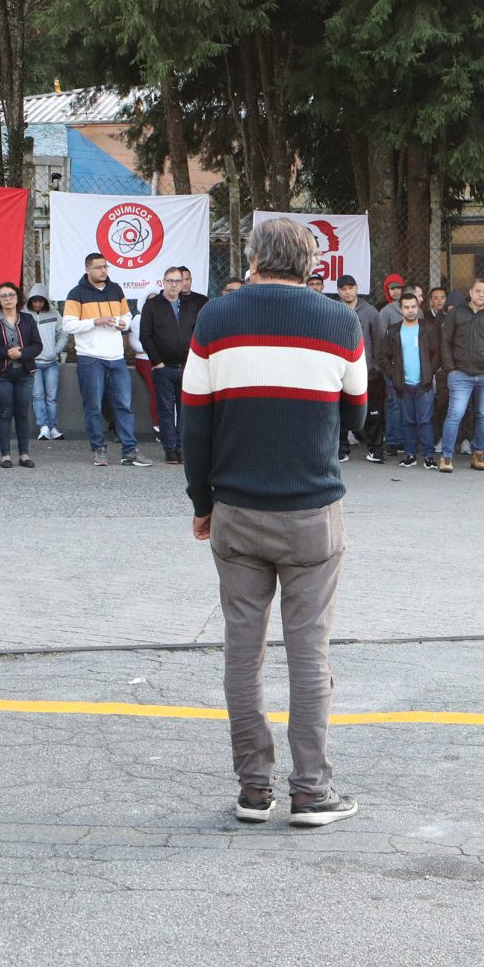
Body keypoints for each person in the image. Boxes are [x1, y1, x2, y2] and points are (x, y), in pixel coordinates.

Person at [183, 217, 369, 827]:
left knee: (243, 650)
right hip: (313, 510)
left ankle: (253, 789)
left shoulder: (215, 318)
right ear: (311, 262)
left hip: (236, 508)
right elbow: (359, 412)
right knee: (310, 652)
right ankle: (312, 791)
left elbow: (195, 422)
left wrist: (201, 502)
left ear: (255, 257)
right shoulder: (341, 320)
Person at [63, 253, 145, 467]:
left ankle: (130, 450)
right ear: (88, 270)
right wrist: (95, 321)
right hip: (90, 358)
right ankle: (98, 448)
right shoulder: (76, 293)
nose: (103, 271)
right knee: (93, 406)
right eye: (99, 267)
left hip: (116, 357)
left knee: (124, 405)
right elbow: (68, 325)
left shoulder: (116, 289)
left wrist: (121, 322)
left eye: (106, 267)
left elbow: (127, 316)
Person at [139, 264, 207, 466]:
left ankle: (182, 447)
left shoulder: (190, 305)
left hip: (187, 366)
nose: (174, 285)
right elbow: (146, 336)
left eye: (178, 281)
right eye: (170, 281)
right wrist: (157, 362)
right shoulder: (152, 306)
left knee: (185, 409)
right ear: (163, 282)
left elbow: (198, 332)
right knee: (166, 410)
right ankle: (170, 448)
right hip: (164, 367)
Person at [441, 279, 484, 470]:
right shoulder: (456, 313)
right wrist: (450, 368)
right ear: (470, 292)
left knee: (483, 415)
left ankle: (478, 455)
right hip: (460, 374)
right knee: (455, 413)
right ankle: (446, 456)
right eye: (477, 291)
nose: (481, 295)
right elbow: (445, 342)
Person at [0, 281, 43, 468]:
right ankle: (5, 454)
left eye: (11, 295)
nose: (8, 299)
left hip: (24, 372)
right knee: (5, 413)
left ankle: (24, 454)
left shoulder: (27, 319)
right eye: (3, 296)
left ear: (17, 298)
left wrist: (22, 353)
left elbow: (37, 346)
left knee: (22, 414)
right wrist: (6, 352)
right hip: (1, 374)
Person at [378, 287, 442, 468]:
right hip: (403, 384)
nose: (411, 310)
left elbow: (437, 354)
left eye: (413, 306)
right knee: (407, 421)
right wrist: (393, 374)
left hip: (424, 384)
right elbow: (383, 356)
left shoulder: (427, 328)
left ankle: (429, 456)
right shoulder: (393, 330)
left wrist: (430, 372)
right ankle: (410, 455)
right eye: (406, 307)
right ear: (401, 309)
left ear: (418, 306)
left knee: (425, 420)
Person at [338, 276, 383, 456]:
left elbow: (379, 341)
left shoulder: (370, 312)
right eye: (343, 288)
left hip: (367, 370)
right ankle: (342, 449)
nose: (347, 292)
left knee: (372, 412)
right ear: (338, 291)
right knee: (340, 410)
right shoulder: (334, 310)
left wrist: (377, 367)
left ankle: (375, 449)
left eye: (351, 287)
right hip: (340, 369)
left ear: (357, 288)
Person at [28, 292, 66, 438]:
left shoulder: (54, 314)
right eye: (34, 301)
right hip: (33, 362)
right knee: (38, 395)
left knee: (51, 397)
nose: (37, 304)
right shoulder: (24, 314)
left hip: (51, 362)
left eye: (40, 301)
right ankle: (43, 427)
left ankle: (53, 427)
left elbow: (63, 333)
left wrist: (55, 351)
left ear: (45, 301)